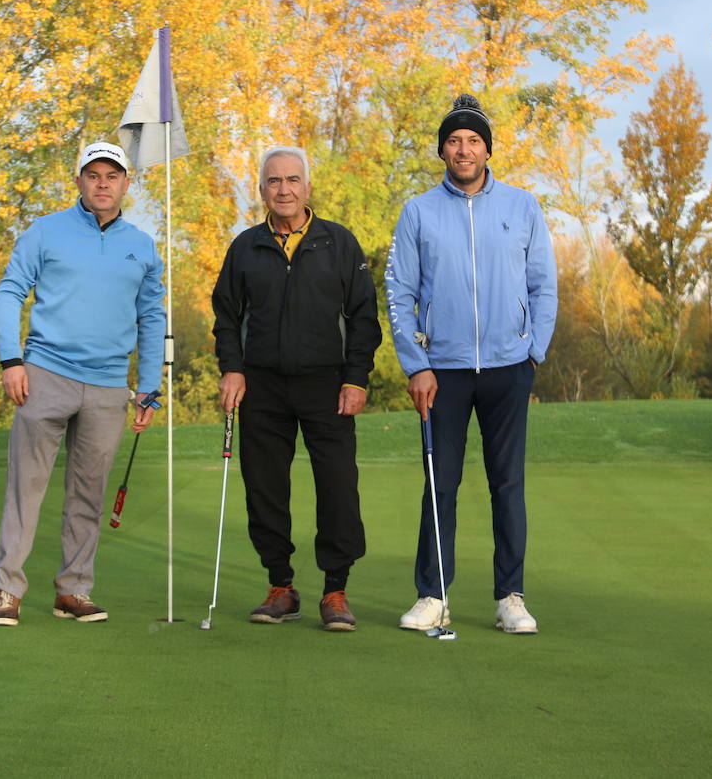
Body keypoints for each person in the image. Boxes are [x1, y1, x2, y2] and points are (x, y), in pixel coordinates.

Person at [385, 93, 557, 634]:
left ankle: (511, 597)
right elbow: (400, 291)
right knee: (441, 484)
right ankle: (432, 595)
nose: (464, 149)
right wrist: (416, 364)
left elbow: (544, 285)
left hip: (510, 367)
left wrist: (534, 351)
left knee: (508, 484)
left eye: (473, 141)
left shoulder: (523, 206)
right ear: (442, 150)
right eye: (454, 141)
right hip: (444, 371)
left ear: (487, 150)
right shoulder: (418, 211)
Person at [0, 141, 165, 627]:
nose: (103, 183)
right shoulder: (46, 231)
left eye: (113, 175)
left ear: (127, 184)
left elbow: (152, 318)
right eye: (94, 175)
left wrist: (149, 388)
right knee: (26, 488)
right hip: (44, 374)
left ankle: (74, 590)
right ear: (80, 182)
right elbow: (10, 291)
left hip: (108, 386)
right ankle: (8, 590)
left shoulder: (142, 246)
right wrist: (11, 360)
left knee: (88, 494)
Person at [212, 146, 382, 632]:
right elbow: (226, 316)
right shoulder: (245, 246)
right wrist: (233, 368)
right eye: (273, 181)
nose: (283, 189)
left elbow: (364, 318)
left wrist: (356, 377)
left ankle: (336, 589)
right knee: (264, 487)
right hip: (261, 386)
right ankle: (281, 586)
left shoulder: (339, 243)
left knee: (337, 487)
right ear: (262, 189)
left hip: (327, 384)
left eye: (292, 180)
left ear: (307, 187)